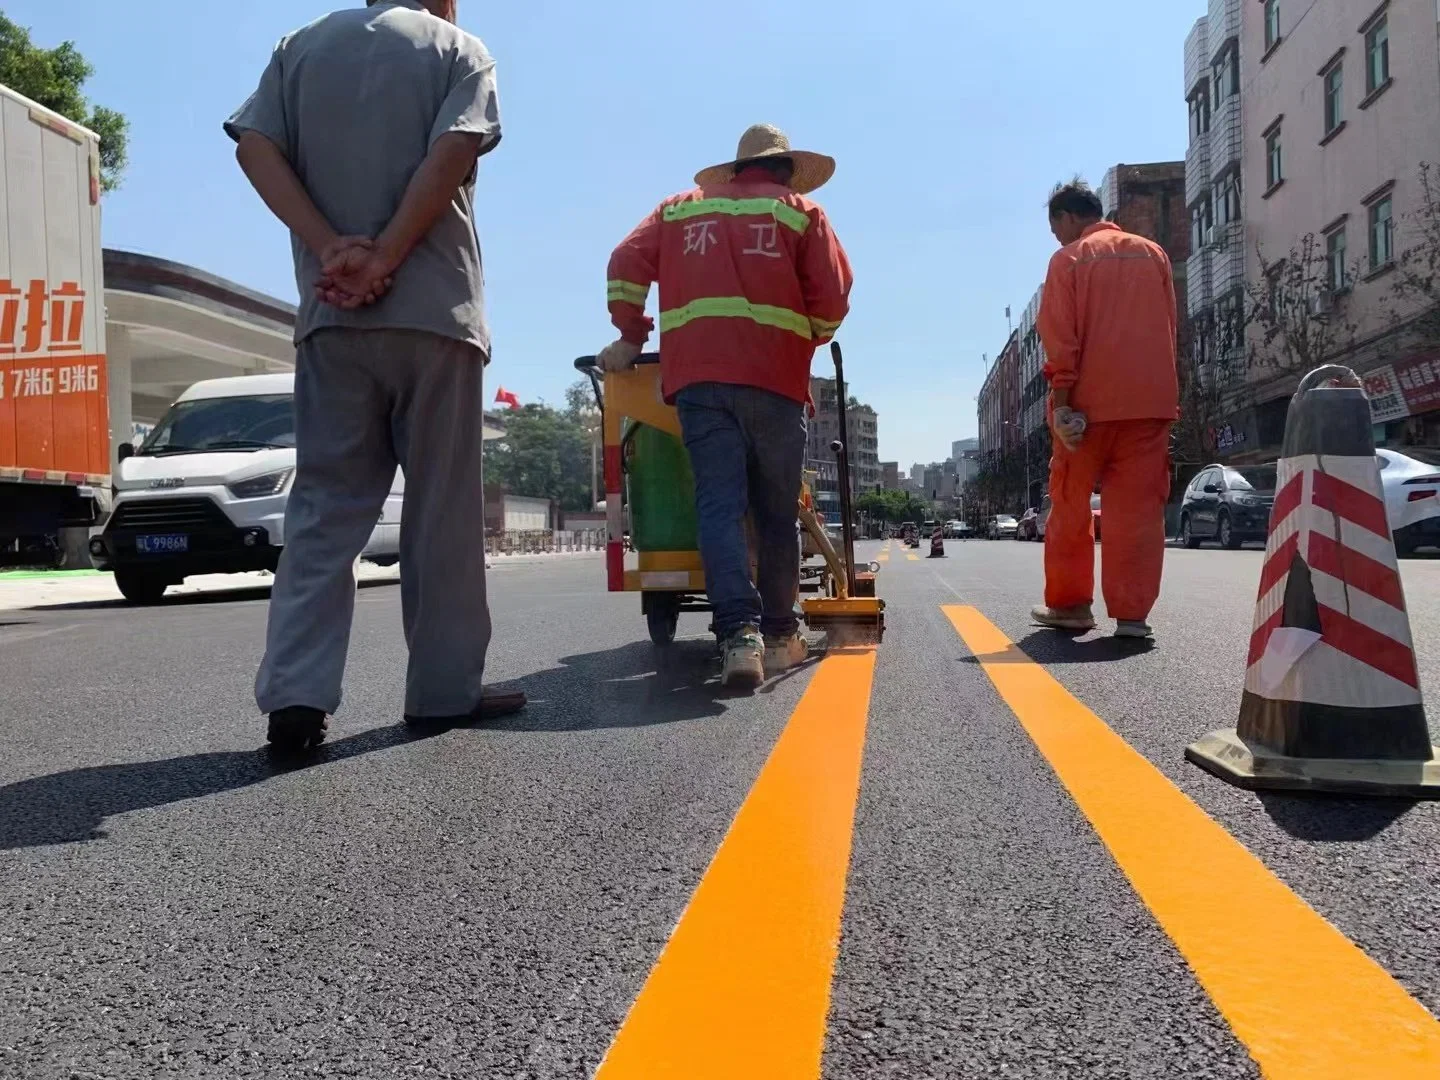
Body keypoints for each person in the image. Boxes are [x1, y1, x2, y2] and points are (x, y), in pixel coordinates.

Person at [225, 0, 524, 752]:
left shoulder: (299, 47)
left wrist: (333, 251)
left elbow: (253, 146)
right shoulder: (457, 47)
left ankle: (296, 697)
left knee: (323, 512)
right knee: (441, 515)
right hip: (433, 313)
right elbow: (454, 150)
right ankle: (442, 690)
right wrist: (387, 256)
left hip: (334, 317)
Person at [597, 124, 853, 688]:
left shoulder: (678, 211)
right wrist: (806, 337)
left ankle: (739, 636)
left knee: (718, 507)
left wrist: (631, 334)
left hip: (700, 384)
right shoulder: (801, 213)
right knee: (775, 514)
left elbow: (624, 263)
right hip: (776, 382)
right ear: (785, 170)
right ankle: (782, 633)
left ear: (736, 170)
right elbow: (833, 300)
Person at [1032, 180, 1179, 640]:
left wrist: (1061, 404)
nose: (1057, 237)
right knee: (1136, 512)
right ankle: (1133, 616)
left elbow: (1061, 340)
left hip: (1086, 409)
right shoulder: (1153, 254)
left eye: (1055, 227)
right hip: (1148, 406)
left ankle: (1072, 606)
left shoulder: (1070, 259)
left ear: (1067, 217)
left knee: (1072, 507)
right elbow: (1170, 328)